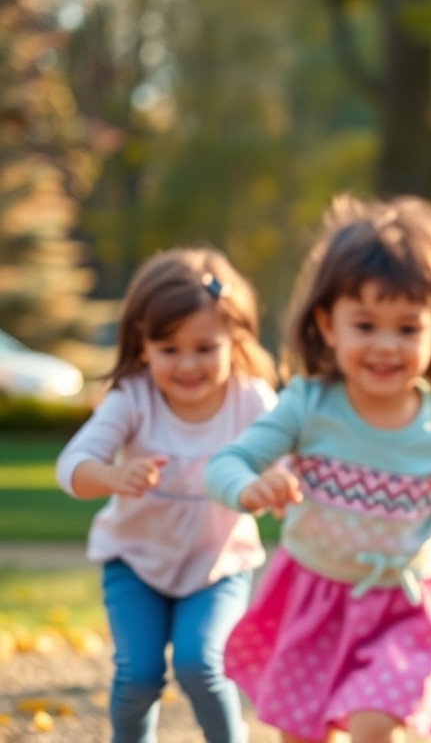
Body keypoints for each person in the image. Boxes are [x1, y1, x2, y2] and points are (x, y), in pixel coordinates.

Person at [204, 195, 431, 743]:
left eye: (406, 328)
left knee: (378, 723)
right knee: (302, 734)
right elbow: (227, 463)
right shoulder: (309, 405)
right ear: (328, 325)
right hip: (313, 602)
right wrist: (249, 487)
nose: (384, 346)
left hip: (406, 606)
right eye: (365, 324)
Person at [55, 249, 277, 743]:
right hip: (134, 564)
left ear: (234, 340)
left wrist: (273, 487)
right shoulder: (133, 398)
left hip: (217, 568)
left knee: (201, 663)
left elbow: (287, 463)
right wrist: (112, 477)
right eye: (169, 349)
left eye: (205, 347)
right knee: (138, 675)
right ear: (142, 346)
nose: (188, 364)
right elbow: (70, 466)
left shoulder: (251, 399)